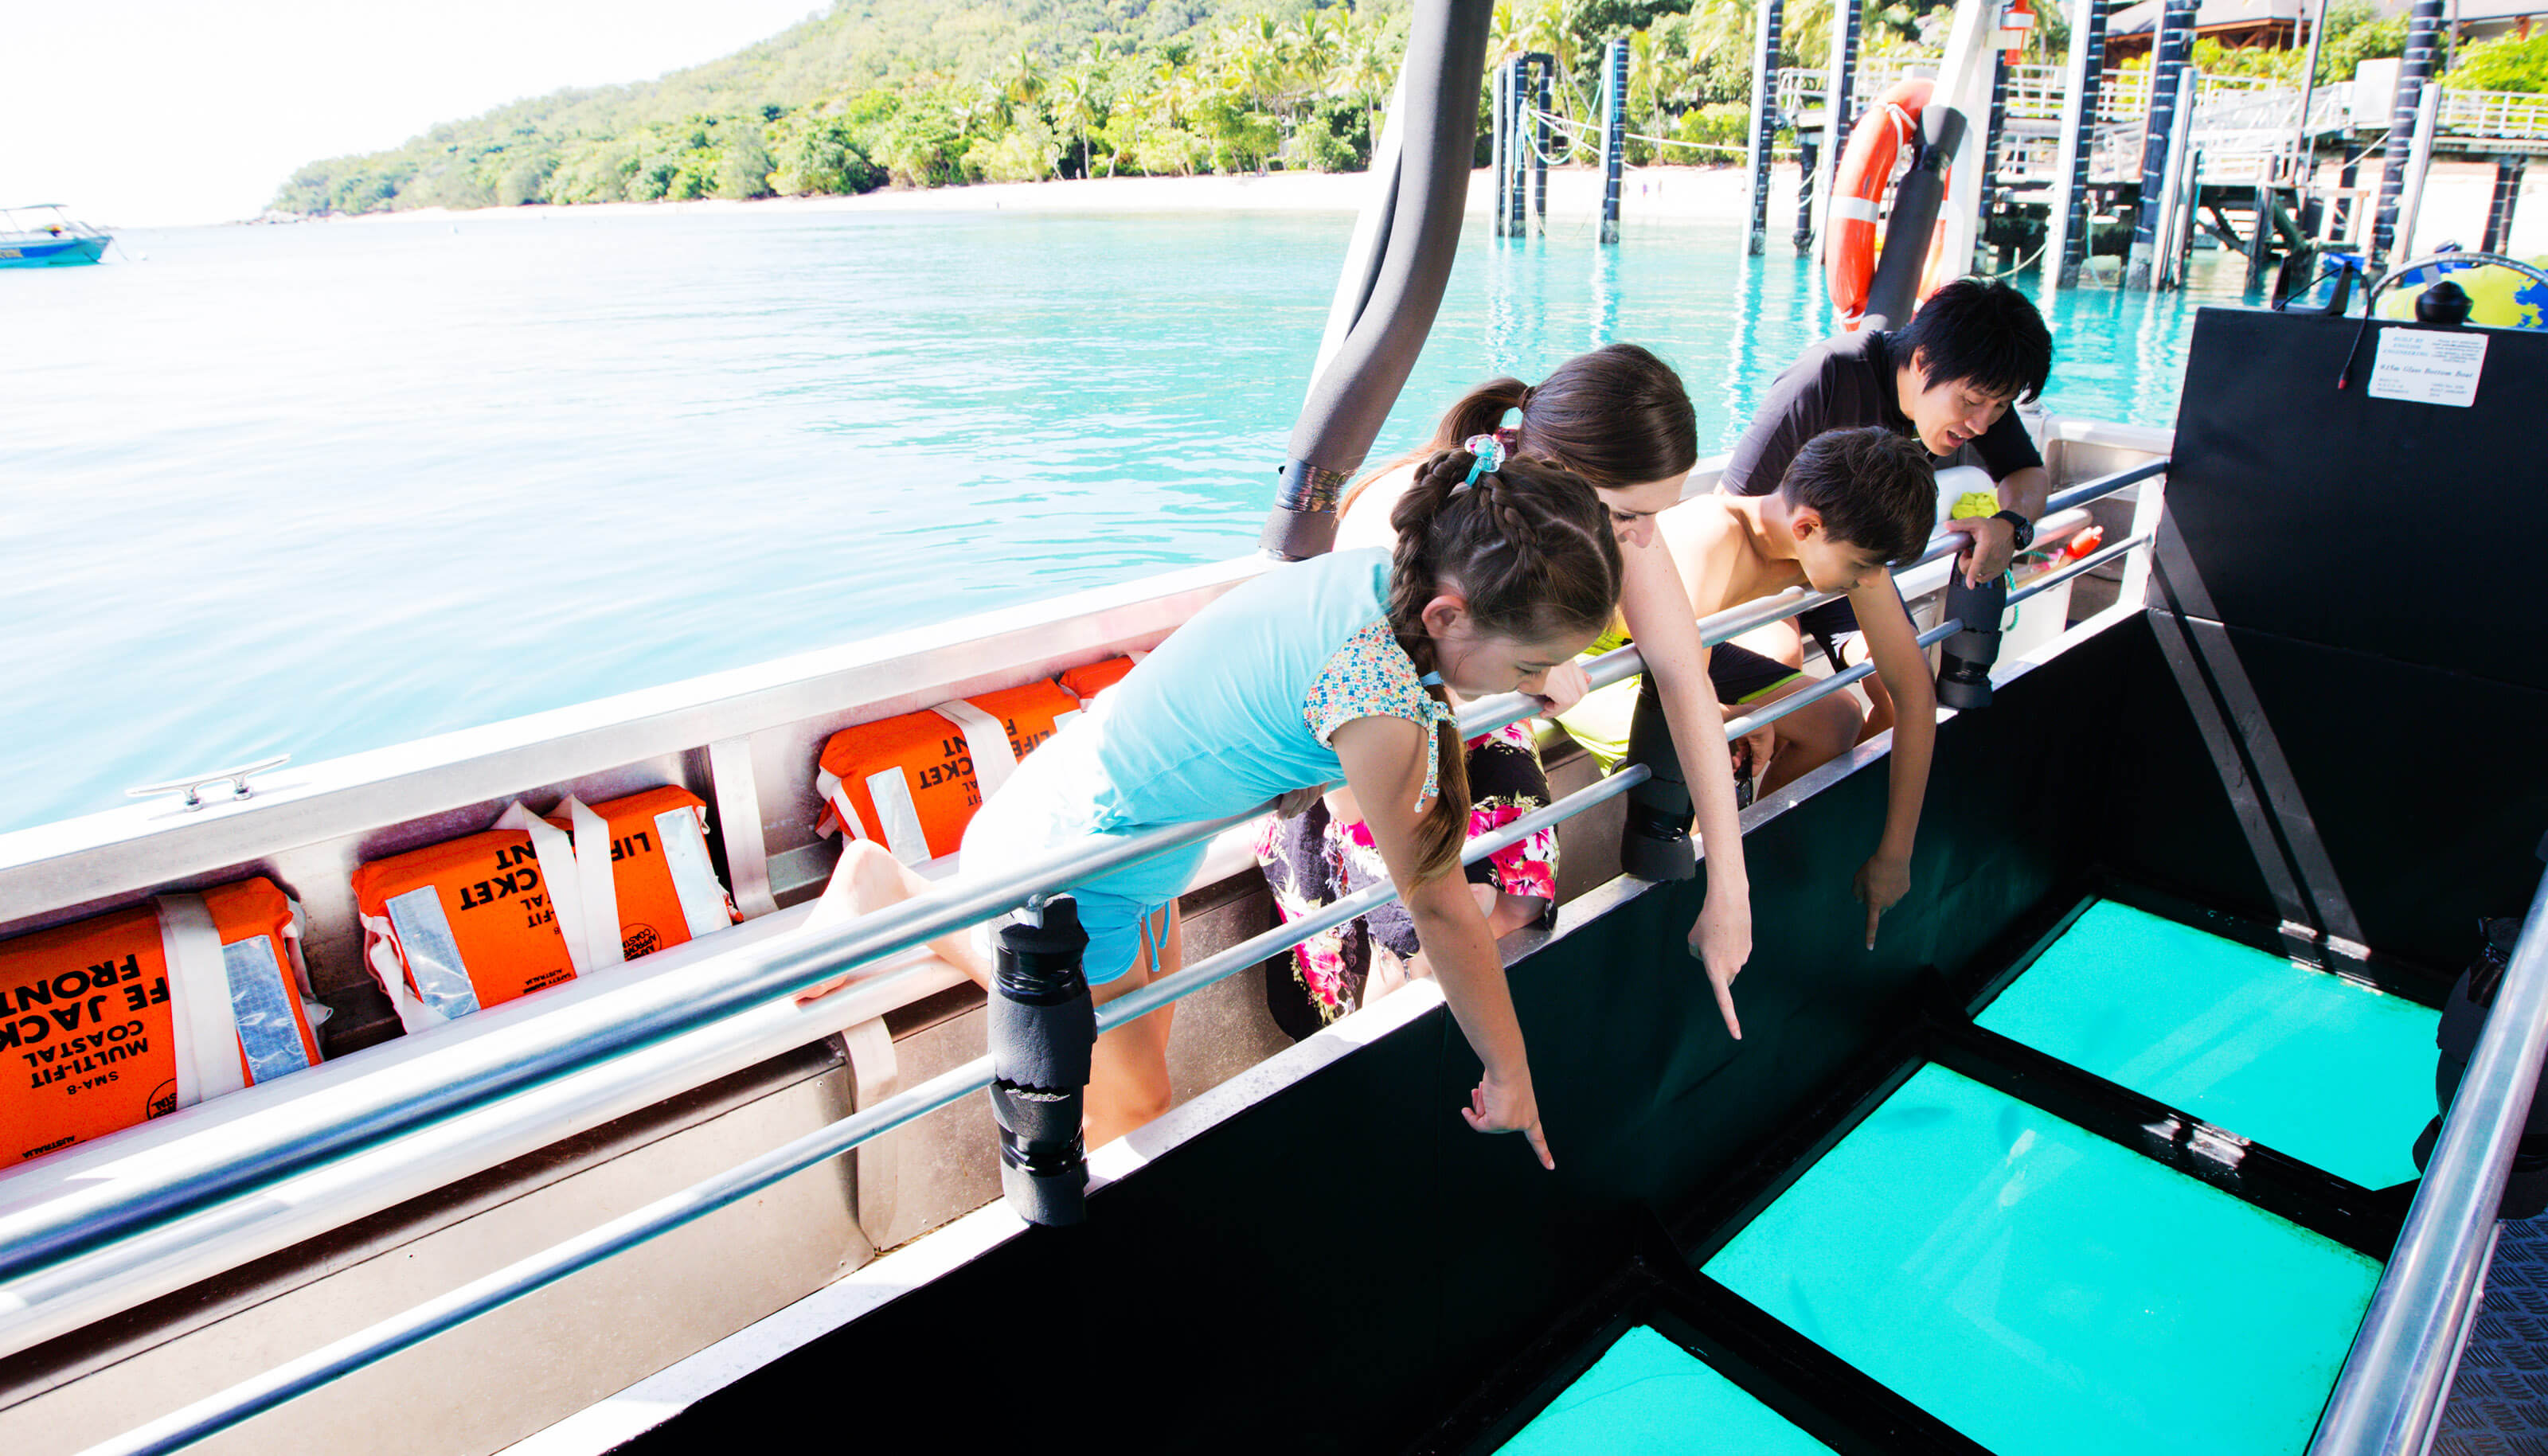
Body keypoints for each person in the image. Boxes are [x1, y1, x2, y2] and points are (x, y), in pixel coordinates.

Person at [810, 445, 1625, 1167]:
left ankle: (903, 895)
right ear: (1448, 615)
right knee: (1132, 1102)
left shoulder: (1387, 579)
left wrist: (1528, 667)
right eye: (1529, 665)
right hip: (1071, 866)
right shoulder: (1376, 693)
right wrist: (1509, 1070)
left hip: (1129, 837)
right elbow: (1441, 907)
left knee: (1137, 1038)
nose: (1532, 685)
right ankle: (900, 898)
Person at [1263, 344, 1753, 1040]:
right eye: (1627, 515)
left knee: (1517, 895)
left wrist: (1729, 890)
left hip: (1474, 726)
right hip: (1354, 743)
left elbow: (1683, 675)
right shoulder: (1413, 513)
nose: (1642, 538)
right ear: (1558, 473)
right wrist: (1530, 665)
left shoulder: (1614, 520)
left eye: (1655, 515)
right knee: (1424, 936)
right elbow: (1357, 700)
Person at [1719, 277, 2054, 736]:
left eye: (2000, 407)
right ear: (1922, 362)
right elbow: (1731, 507)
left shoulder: (1975, 393)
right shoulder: (1825, 374)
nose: (1981, 424)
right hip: (1774, 568)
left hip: (1857, 567)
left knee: (1905, 694)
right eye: (1973, 402)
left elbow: (2028, 473)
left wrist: (2012, 524)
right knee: (1781, 655)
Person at [1659, 427, 1940, 948]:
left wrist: (1895, 853)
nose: (1868, 580)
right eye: (1861, 567)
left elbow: (1915, 696)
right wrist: (1734, 720)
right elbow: (1680, 699)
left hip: (1693, 650)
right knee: (1720, 749)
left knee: (1836, 717)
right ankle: (1696, 901)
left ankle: (1758, 862)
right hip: (1611, 659)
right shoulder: (1712, 535)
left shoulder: (1846, 546)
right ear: (1807, 526)